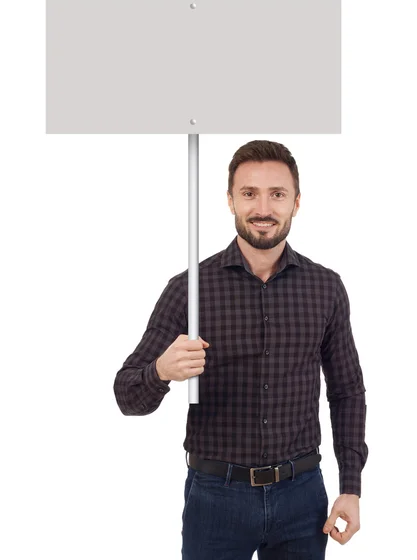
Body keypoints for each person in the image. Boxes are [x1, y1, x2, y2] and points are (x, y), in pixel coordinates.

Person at [113, 140, 368, 559]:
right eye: (249, 193)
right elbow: (127, 396)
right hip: (216, 499)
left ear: (297, 202)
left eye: (277, 194)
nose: (263, 208)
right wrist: (160, 370)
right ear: (230, 199)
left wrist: (351, 488)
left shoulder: (326, 288)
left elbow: (347, 393)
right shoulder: (189, 291)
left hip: (303, 497)